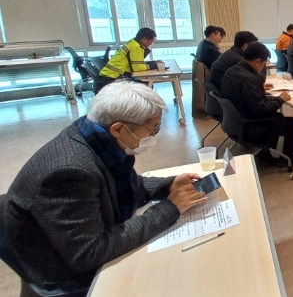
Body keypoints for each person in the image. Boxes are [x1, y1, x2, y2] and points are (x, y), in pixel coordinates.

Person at [4, 82, 208, 294]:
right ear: (118, 129)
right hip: (70, 276)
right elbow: (89, 253)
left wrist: (168, 185)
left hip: (83, 244)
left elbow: (115, 184)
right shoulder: (69, 172)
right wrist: (170, 208)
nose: (155, 135)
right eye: (152, 129)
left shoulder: (92, 135)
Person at [221, 42, 293, 163]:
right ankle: (288, 158)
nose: (264, 66)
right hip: (250, 126)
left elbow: (241, 92)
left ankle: (265, 153)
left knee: (277, 116)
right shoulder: (250, 78)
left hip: (234, 122)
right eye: (264, 63)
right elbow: (261, 109)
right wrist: (280, 99)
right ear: (257, 61)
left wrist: (258, 88)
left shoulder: (231, 71)